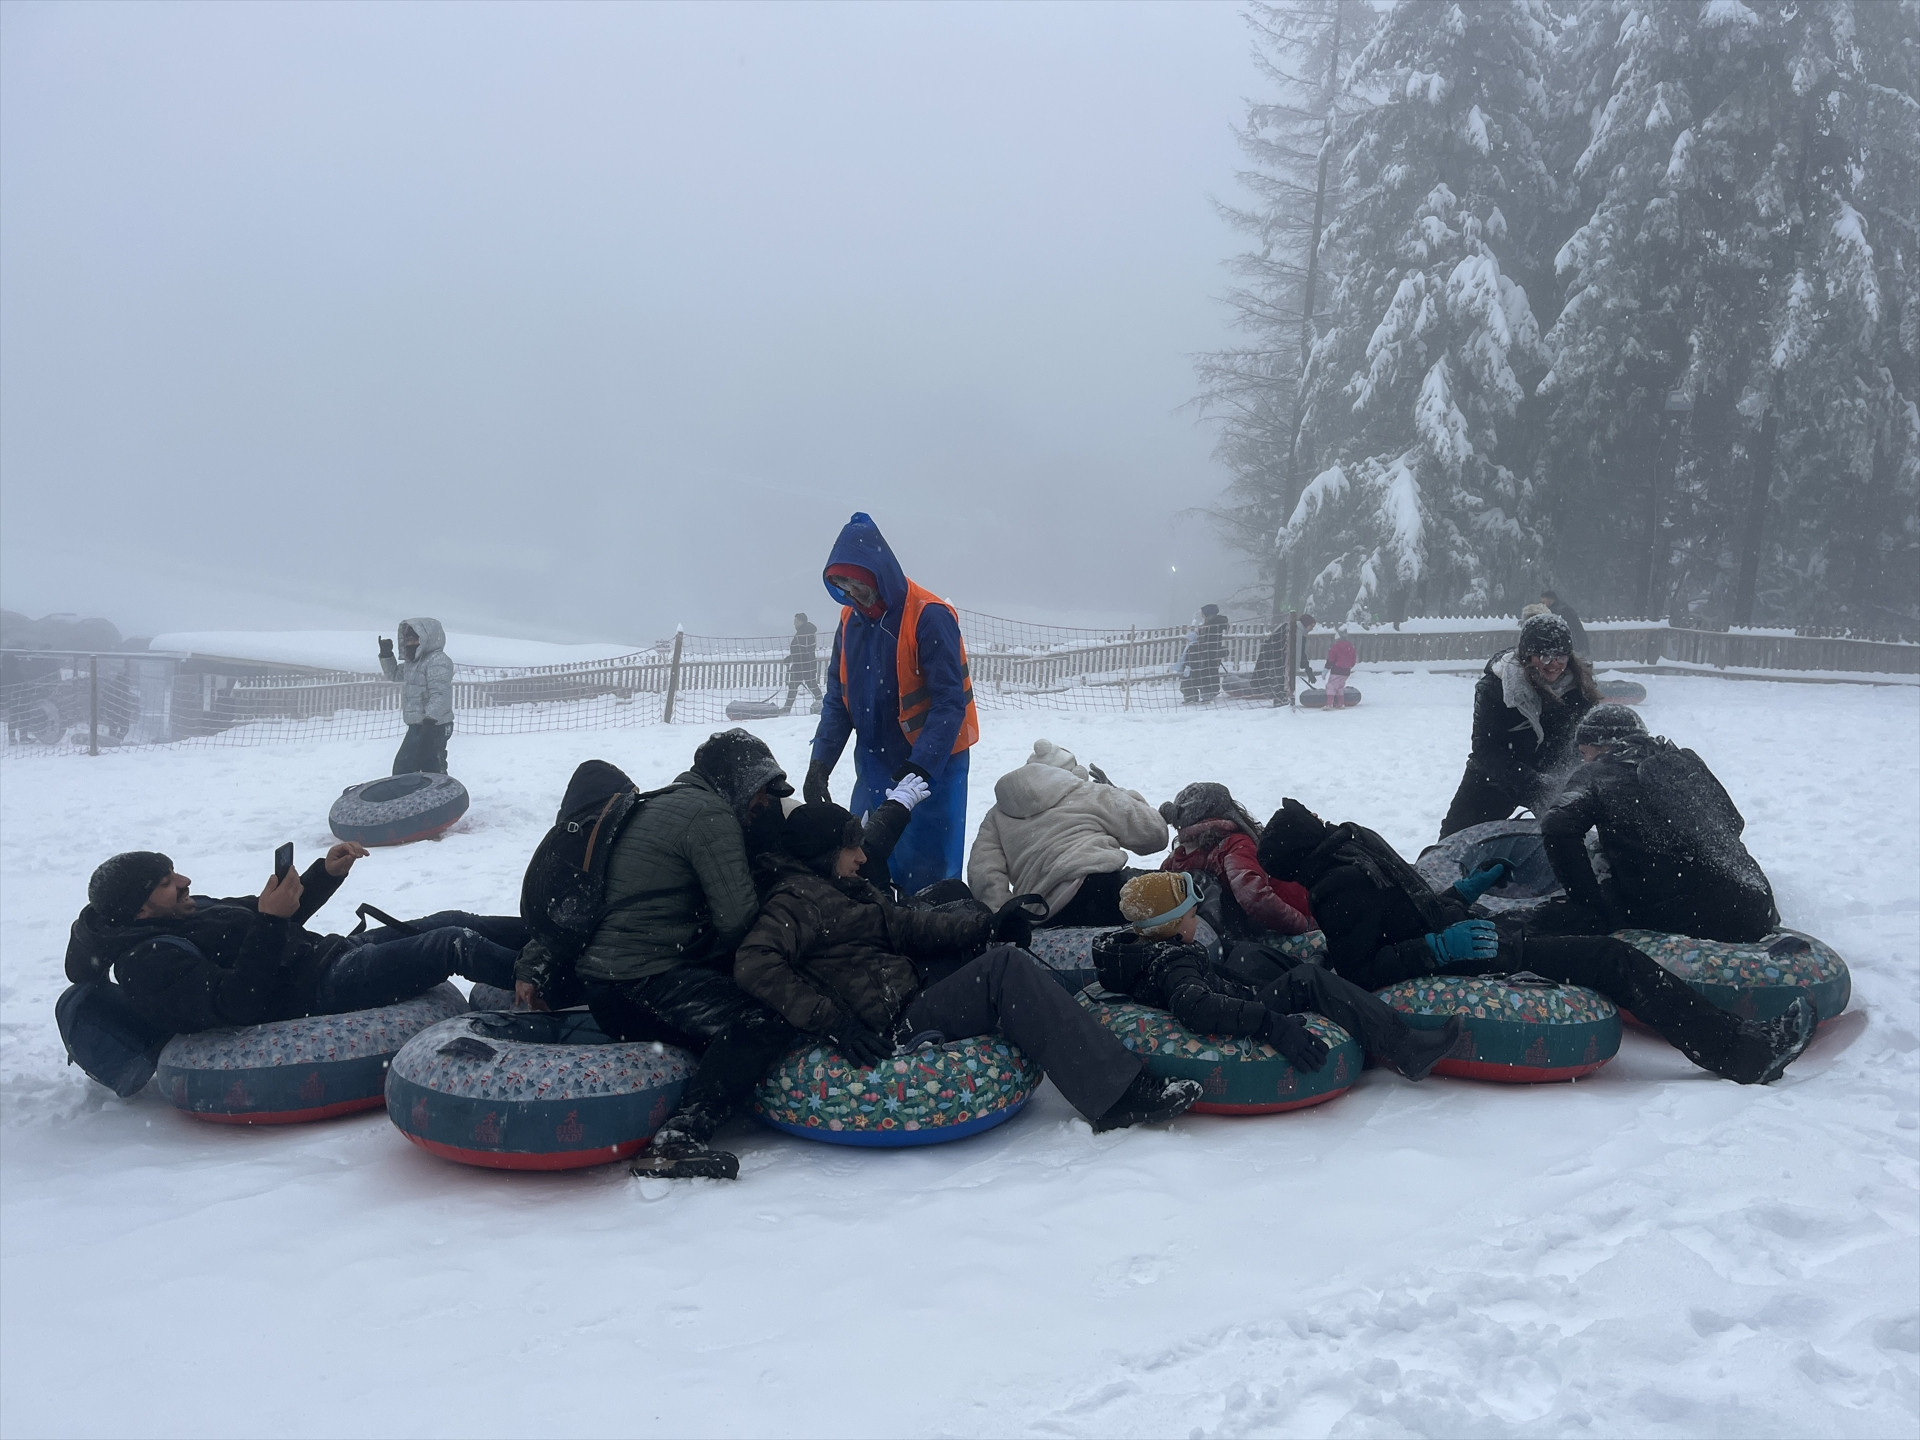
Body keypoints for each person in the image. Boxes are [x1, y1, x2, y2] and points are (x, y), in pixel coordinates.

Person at [1256, 797, 1815, 1083]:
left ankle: (1728, 1021)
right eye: (1316, 821)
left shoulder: (1355, 856)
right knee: (1612, 958)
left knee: (1583, 922)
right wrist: (1438, 951)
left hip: (1466, 935)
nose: (1327, 820)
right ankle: (1743, 1052)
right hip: (1470, 957)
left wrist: (1465, 890)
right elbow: (1362, 970)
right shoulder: (1339, 885)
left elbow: (1410, 911)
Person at [733, 803, 1204, 1134]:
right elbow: (755, 963)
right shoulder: (797, 901)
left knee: (988, 948)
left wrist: (988, 926)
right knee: (1005, 971)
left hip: (906, 993)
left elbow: (909, 925)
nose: (862, 857)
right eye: (850, 847)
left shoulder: (843, 892)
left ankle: (1100, 1061)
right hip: (888, 1024)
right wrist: (835, 1023)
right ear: (822, 853)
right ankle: (1119, 1096)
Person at [547, 727, 801, 1181]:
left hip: (608, 980)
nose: (765, 802)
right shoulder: (710, 815)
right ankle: (678, 1140)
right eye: (762, 790)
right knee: (764, 1019)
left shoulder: (661, 802)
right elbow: (738, 923)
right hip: (638, 982)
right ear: (738, 781)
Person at [65, 845, 524, 1036]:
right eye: (168, 882)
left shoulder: (187, 909)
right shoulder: (147, 961)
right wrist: (268, 924)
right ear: (141, 908)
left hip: (328, 954)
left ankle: (562, 940)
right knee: (451, 943)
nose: (185, 880)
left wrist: (325, 872)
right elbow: (237, 1003)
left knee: (454, 918)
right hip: (317, 989)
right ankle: (560, 984)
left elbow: (278, 911)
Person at [1092, 872, 1462, 1081]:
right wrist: (1271, 1024)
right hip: (1246, 1007)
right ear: (1170, 925)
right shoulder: (1173, 963)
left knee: (1247, 954)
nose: (1196, 921)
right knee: (1308, 979)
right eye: (1191, 917)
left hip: (1230, 985)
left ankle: (1328, 982)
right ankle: (1406, 1047)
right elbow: (1196, 1007)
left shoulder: (1139, 950)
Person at [804, 512, 979, 898]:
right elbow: (838, 699)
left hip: (932, 768)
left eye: (858, 585)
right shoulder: (850, 621)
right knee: (867, 863)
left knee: (927, 876)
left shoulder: (929, 616)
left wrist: (919, 769)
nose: (852, 595)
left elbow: (950, 702)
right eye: (842, 587)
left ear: (880, 575)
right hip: (875, 763)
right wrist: (821, 762)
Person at [1538, 705, 1780, 943]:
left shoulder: (1599, 772)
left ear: (1602, 746)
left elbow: (1556, 827)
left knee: (1558, 906)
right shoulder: (1684, 762)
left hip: (1685, 919)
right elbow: (1733, 823)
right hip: (1755, 905)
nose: (1585, 760)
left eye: (1584, 752)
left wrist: (1589, 902)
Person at [967, 740, 1169, 927]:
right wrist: (1118, 792)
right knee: (1177, 892)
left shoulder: (996, 815)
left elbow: (984, 872)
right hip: (1103, 889)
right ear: (1070, 773)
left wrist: (1006, 917)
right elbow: (1155, 835)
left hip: (1042, 911)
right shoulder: (1087, 791)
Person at [1439, 611, 1601, 838]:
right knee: (1455, 838)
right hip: (1493, 778)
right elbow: (1485, 749)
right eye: (1544, 656)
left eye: (1562, 656)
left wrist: (1561, 782)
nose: (1554, 664)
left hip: (1550, 781)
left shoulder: (1578, 690)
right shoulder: (1496, 687)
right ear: (1527, 655)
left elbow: (1578, 745)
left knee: (1565, 841)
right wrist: (1531, 782)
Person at [1158, 783, 1313, 940]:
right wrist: (1304, 924)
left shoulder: (1174, 861)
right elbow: (1255, 897)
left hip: (1221, 944)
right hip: (1271, 935)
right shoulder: (1233, 845)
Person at [379, 618, 456, 776]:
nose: (410, 642)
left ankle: (440, 795)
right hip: (419, 724)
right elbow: (395, 674)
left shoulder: (438, 660)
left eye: (414, 637)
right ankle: (418, 796)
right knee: (416, 765)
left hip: (435, 725)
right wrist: (387, 655)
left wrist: (430, 719)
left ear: (427, 637)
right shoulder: (413, 662)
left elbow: (440, 693)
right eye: (407, 638)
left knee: (422, 766)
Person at [1251, 613, 1316, 704]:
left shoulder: (1301, 634)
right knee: (1279, 679)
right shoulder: (1290, 629)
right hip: (1276, 657)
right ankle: (1279, 700)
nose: (1312, 628)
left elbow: (1300, 653)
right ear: (1306, 623)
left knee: (1283, 679)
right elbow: (1275, 642)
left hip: (1284, 660)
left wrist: (1308, 669)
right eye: (1311, 625)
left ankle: (1284, 699)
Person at [1178, 605, 1231, 704]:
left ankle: (1193, 694)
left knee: (1196, 672)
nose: (1201, 615)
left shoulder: (1210, 624)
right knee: (1207, 673)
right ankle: (1201, 693)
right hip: (1208, 653)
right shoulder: (1211, 623)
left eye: (1202, 612)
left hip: (1205, 653)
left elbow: (1207, 640)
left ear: (1207, 612)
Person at [781, 613, 823, 716]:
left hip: (803, 665)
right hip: (806, 664)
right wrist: (791, 658)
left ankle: (787, 709)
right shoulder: (805, 631)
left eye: (795, 621)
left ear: (801, 621)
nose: (794, 624)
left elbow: (803, 651)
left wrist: (794, 662)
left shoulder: (804, 633)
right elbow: (800, 650)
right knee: (808, 685)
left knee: (800, 685)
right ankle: (822, 704)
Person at [1540, 589, 1590, 656]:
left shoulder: (1562, 611)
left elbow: (1572, 629)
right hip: (1571, 645)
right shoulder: (1559, 609)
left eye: (1544, 602)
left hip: (1572, 645)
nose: (1543, 605)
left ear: (1550, 600)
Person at [1323, 626, 1357, 709]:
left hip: (1336, 670)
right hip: (1346, 671)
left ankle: (1329, 704)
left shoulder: (1335, 647)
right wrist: (1348, 666)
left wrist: (1326, 669)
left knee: (1330, 686)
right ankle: (1341, 703)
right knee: (1340, 687)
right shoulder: (1351, 647)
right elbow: (1353, 659)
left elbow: (1331, 659)